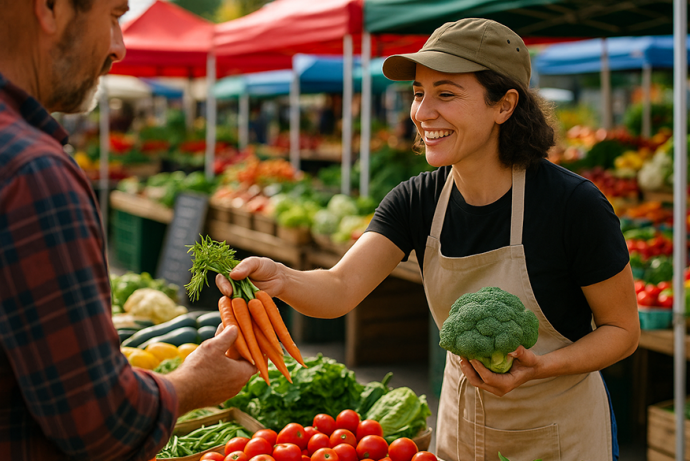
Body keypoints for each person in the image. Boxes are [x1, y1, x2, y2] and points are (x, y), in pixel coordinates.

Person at [218, 18, 640, 461]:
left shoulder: (572, 205)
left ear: (504, 105)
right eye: (419, 93)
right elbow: (340, 288)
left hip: (562, 436)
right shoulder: (416, 200)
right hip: (462, 432)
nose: (421, 113)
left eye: (446, 94)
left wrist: (540, 367)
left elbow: (622, 331)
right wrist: (281, 278)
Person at [0, 1, 257, 459]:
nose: (119, 48)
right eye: (114, 17)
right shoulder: (34, 172)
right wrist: (192, 383)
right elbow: (101, 423)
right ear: (50, 9)